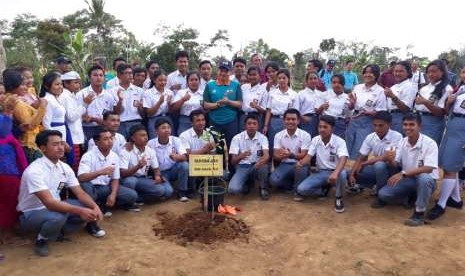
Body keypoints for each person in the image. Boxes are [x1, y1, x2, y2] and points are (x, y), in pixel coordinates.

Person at [17, 130, 105, 257]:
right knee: (58, 216)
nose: (60, 147)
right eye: (55, 144)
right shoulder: (34, 171)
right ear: (43, 148)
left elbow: (80, 193)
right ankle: (41, 240)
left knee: (87, 206)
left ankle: (57, 230)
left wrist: (95, 207)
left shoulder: (65, 167)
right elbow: (49, 203)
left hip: (55, 206)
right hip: (31, 213)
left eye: (62, 143)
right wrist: (80, 211)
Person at [374, 113, 438, 227]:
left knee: (424, 178)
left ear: (420, 126)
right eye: (405, 124)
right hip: (408, 179)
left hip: (425, 180)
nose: (407, 128)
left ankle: (419, 213)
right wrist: (390, 159)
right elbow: (396, 164)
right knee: (383, 194)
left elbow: (429, 168)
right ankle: (410, 195)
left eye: (411, 124)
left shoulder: (430, 143)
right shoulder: (402, 142)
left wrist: (403, 173)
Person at [429, 71, 465, 219]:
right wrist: (449, 102)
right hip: (452, 125)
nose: (464, 74)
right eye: (463, 71)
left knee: (450, 167)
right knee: (448, 165)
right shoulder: (461, 88)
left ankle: (441, 204)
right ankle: (455, 199)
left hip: (463, 128)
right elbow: (450, 109)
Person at [296, 115, 349, 213]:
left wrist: (335, 173)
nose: (322, 129)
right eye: (320, 127)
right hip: (321, 172)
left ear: (332, 129)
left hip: (336, 171)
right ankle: (323, 189)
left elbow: (343, 158)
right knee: (301, 189)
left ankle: (338, 198)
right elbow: (309, 156)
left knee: (342, 174)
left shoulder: (340, 141)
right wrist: (301, 162)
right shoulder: (315, 139)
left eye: (325, 127)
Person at [79, 128, 139, 214]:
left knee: (132, 195)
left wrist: (113, 195)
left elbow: (115, 179)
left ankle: (106, 204)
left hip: (107, 188)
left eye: (111, 138)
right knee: (87, 187)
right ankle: (95, 208)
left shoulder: (114, 156)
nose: (110, 141)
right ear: (96, 142)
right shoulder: (88, 156)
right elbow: (81, 178)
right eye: (105, 139)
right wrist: (100, 172)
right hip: (92, 188)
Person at [348, 111, 402, 194]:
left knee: (379, 165)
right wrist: (352, 175)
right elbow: (361, 157)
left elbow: (386, 156)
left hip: (393, 170)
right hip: (378, 170)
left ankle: (379, 193)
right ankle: (373, 185)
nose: (377, 128)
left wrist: (364, 164)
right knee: (348, 173)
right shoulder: (370, 137)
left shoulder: (397, 136)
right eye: (375, 125)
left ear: (389, 125)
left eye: (381, 125)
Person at [120, 124, 173, 205]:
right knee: (130, 181)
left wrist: (157, 176)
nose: (146, 138)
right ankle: (128, 201)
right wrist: (137, 166)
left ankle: (137, 199)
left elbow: (156, 169)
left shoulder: (150, 151)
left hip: (143, 179)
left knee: (164, 191)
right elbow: (122, 173)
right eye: (142, 135)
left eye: (146, 135)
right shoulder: (126, 150)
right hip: (129, 178)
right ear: (133, 138)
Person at [2, 69, 47, 162]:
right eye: (22, 84)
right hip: (28, 144)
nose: (26, 88)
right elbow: (30, 125)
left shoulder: (16, 99)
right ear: (13, 86)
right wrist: (42, 107)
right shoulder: (15, 102)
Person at [346, 64, 387, 159]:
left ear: (376, 75)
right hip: (354, 119)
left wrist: (369, 113)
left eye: (371, 72)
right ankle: (345, 168)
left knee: (360, 145)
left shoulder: (380, 91)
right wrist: (352, 103)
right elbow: (352, 106)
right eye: (366, 72)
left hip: (368, 121)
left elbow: (381, 112)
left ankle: (354, 170)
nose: (367, 75)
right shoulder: (357, 87)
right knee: (349, 143)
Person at [0, 108, 28, 246]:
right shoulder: (3, 118)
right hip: (6, 168)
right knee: (8, 202)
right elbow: (4, 133)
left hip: (8, 167)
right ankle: (7, 236)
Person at [269, 109, 311, 196]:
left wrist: (290, 155)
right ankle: (293, 185)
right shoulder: (278, 135)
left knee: (301, 167)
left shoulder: (305, 135)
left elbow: (304, 155)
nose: (290, 122)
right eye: (288, 119)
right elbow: (275, 155)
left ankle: (298, 188)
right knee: (273, 181)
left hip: (300, 164)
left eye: (293, 119)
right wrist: (282, 155)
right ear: (284, 121)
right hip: (285, 164)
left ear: (298, 121)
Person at [229, 113, 270, 200]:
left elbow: (266, 155)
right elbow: (233, 162)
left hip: (256, 165)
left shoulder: (263, 138)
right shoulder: (237, 138)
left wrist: (261, 162)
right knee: (233, 189)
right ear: (245, 125)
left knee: (264, 167)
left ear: (258, 126)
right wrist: (241, 156)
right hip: (242, 166)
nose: (251, 126)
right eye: (249, 123)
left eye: (254, 124)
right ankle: (247, 182)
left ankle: (263, 188)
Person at [203, 60, 242, 147]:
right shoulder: (210, 85)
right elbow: (205, 105)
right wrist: (217, 104)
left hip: (231, 121)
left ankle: (230, 161)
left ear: (230, 72)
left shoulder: (236, 85)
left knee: (232, 146)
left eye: (226, 71)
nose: (223, 73)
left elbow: (240, 104)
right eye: (221, 70)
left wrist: (228, 102)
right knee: (215, 147)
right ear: (218, 71)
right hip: (214, 121)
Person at [148, 119, 189, 202]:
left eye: (168, 127)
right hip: (160, 173)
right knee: (168, 192)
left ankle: (182, 192)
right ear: (156, 131)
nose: (167, 130)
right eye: (163, 128)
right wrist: (157, 174)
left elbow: (185, 157)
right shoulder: (150, 143)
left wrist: (177, 157)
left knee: (184, 165)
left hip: (173, 170)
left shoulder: (175, 140)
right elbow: (150, 165)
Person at [77, 65, 119, 144]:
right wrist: (85, 118)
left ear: (104, 78)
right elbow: (76, 114)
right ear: (89, 78)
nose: (98, 78)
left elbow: (110, 114)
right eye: (95, 75)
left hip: (104, 129)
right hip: (87, 128)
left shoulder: (108, 95)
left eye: (101, 75)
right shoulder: (81, 94)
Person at [413, 59, 452, 145]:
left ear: (442, 72)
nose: (430, 74)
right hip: (418, 120)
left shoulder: (446, 89)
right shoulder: (425, 88)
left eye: (434, 71)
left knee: (428, 150)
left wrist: (425, 102)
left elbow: (442, 113)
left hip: (433, 123)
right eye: (428, 72)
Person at [263, 68, 298, 150]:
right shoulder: (272, 93)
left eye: (284, 78)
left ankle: (286, 161)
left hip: (289, 121)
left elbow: (296, 112)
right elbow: (268, 110)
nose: (282, 80)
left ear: (288, 79)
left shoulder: (293, 94)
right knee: (273, 144)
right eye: (279, 78)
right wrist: (265, 125)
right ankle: (273, 162)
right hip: (274, 121)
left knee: (287, 143)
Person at [110, 64, 144, 139]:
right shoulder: (112, 92)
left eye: (131, 73)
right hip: (120, 124)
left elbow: (143, 114)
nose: (130, 75)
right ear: (119, 75)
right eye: (127, 73)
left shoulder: (140, 91)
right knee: (122, 147)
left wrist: (140, 107)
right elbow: (115, 112)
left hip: (136, 123)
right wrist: (120, 100)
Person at [59, 71, 84, 172]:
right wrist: (84, 105)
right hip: (71, 136)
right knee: (72, 165)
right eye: (75, 82)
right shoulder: (65, 96)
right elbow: (71, 117)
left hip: (75, 135)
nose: (78, 85)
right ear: (66, 83)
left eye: (78, 82)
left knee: (76, 164)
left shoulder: (71, 95)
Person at [383, 61, 418, 134]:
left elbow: (406, 109)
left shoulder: (410, 86)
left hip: (401, 118)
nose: (397, 74)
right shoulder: (393, 87)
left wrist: (392, 96)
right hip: (390, 118)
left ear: (408, 73)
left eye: (401, 71)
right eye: (395, 71)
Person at [317, 74, 350, 138]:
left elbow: (349, 116)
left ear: (343, 84)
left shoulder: (347, 97)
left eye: (339, 83)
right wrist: (322, 107)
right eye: (334, 82)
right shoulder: (325, 94)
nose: (336, 85)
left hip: (339, 124)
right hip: (325, 122)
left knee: (337, 144)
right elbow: (317, 112)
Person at [143, 70, 174, 139]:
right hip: (154, 120)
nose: (163, 82)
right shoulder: (148, 93)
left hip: (167, 119)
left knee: (169, 140)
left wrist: (169, 105)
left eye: (165, 80)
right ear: (154, 80)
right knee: (155, 140)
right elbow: (149, 113)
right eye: (160, 80)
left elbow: (172, 111)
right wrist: (159, 102)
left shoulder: (170, 92)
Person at [239, 66, 267, 130]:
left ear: (259, 75)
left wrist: (256, 106)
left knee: (255, 138)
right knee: (242, 137)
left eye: (254, 75)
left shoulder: (263, 90)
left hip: (256, 118)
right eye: (250, 75)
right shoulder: (243, 87)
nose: (252, 77)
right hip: (243, 117)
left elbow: (264, 110)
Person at [299, 71, 326, 138]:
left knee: (317, 140)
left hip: (318, 120)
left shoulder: (321, 94)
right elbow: (295, 109)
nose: (313, 80)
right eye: (310, 79)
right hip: (306, 120)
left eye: (315, 78)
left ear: (318, 80)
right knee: (306, 140)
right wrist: (302, 118)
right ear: (306, 81)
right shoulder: (301, 94)